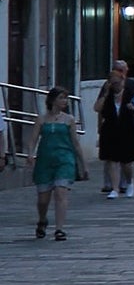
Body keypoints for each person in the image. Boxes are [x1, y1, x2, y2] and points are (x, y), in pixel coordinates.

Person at [30, 85, 86, 240]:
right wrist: (30, 154)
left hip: (65, 159)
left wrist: (82, 163)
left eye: (66, 98)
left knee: (61, 192)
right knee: (43, 199)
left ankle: (59, 228)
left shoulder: (69, 120)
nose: (65, 101)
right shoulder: (41, 119)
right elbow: (34, 138)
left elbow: (75, 143)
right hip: (45, 160)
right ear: (52, 100)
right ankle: (42, 220)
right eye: (61, 98)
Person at [93, 60, 134, 198]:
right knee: (111, 160)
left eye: (117, 82)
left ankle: (129, 183)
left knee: (126, 162)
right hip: (111, 130)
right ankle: (115, 189)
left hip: (127, 130)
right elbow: (97, 109)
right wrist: (105, 94)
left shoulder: (130, 91)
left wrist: (133, 108)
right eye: (113, 83)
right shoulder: (108, 94)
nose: (115, 85)